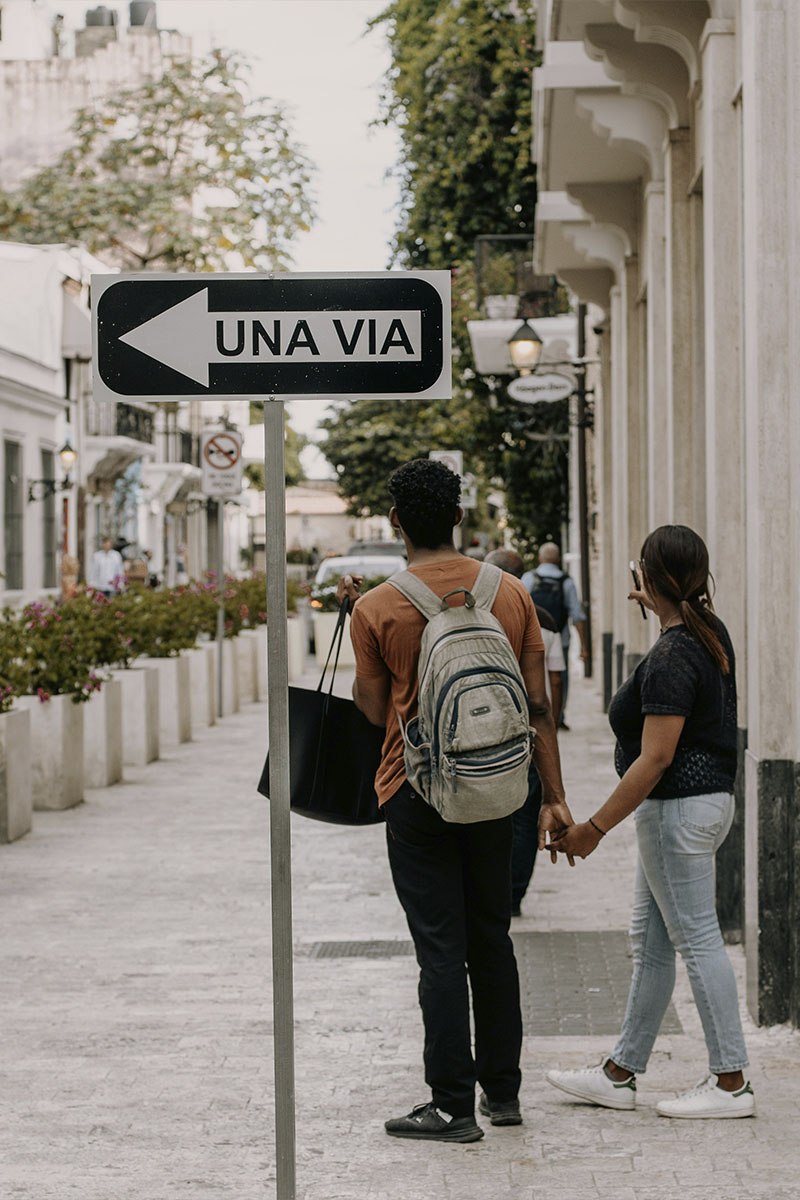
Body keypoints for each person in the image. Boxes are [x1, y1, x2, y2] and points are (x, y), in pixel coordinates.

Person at [337, 459, 573, 1143]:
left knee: (439, 947)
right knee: (491, 940)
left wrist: (362, 630)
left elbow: (374, 707)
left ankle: (449, 1106)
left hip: (414, 792)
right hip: (499, 787)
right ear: (460, 518)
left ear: (396, 523)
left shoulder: (378, 607)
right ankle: (503, 1095)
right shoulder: (508, 593)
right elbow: (538, 707)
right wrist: (552, 797)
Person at [545, 525, 754, 1119]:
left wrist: (593, 828)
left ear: (648, 579)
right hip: (704, 808)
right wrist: (659, 604)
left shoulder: (670, 655)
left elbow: (656, 757)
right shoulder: (706, 633)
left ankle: (731, 1081)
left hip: (675, 815)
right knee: (654, 944)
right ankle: (620, 1072)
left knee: (694, 940)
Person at [485, 549, 565, 916]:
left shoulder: (476, 614)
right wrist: (554, 724)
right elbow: (550, 685)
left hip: (484, 730)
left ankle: (491, 890)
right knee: (525, 815)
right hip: (528, 735)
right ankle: (513, 896)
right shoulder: (543, 620)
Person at [521, 542, 588, 729]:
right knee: (559, 678)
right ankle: (558, 716)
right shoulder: (566, 581)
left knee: (531, 674)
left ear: (540, 559)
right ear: (558, 560)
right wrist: (583, 646)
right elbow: (577, 615)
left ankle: (533, 712)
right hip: (560, 638)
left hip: (532, 639)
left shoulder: (528, 578)